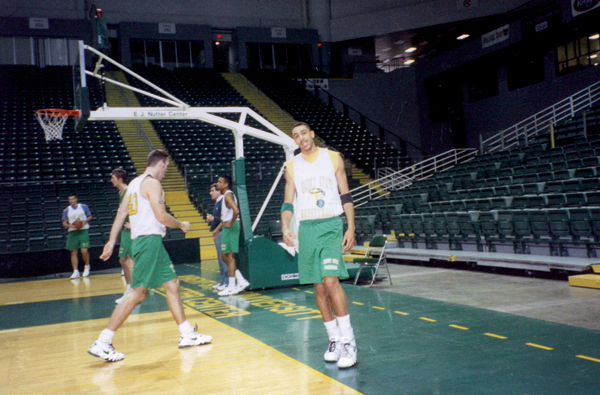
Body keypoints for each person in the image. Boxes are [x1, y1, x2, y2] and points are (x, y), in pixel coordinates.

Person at [89, 149, 212, 362]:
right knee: (138, 293)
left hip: (146, 241)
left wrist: (111, 240)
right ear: (161, 164)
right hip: (148, 241)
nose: (166, 171)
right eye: (166, 167)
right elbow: (162, 216)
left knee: (172, 283)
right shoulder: (152, 183)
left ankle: (187, 334)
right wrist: (182, 224)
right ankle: (103, 342)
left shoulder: (134, 184)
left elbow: (120, 214)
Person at [281, 122, 358, 369]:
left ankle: (349, 342)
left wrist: (351, 227)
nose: (301, 137)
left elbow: (345, 195)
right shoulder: (292, 166)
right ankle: (334, 340)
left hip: (330, 227)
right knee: (319, 286)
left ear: (312, 134)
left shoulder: (333, 157)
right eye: (296, 135)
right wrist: (285, 227)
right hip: (307, 229)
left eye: (304, 132)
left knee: (330, 280)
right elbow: (287, 202)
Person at [215, 174, 250, 296]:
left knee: (229, 257)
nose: (217, 184)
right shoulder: (226, 195)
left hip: (231, 227)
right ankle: (240, 280)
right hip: (227, 226)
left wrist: (231, 222)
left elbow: (236, 210)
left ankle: (232, 286)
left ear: (226, 184)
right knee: (224, 257)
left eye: (219, 182)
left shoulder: (228, 195)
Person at [110, 168, 134, 304]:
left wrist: (134, 226)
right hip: (125, 231)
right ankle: (131, 289)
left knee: (126, 260)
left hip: (131, 230)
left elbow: (140, 210)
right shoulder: (121, 192)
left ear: (119, 179)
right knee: (125, 260)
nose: (111, 180)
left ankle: (133, 291)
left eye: (113, 178)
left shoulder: (129, 192)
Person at [62, 193, 92, 279]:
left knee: (84, 251)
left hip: (83, 231)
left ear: (76, 199)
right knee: (73, 252)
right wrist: (69, 225)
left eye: (72, 199)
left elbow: (90, 216)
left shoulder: (84, 206)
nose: (71, 201)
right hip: (73, 232)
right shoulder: (66, 210)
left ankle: (87, 266)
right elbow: (64, 223)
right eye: (70, 199)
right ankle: (75, 271)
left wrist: (84, 221)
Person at [206, 183, 229, 291]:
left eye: (212, 190)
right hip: (218, 233)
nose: (210, 193)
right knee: (220, 258)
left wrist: (213, 219)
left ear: (218, 191)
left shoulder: (223, 202)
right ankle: (223, 280)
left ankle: (227, 281)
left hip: (222, 232)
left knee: (223, 257)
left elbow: (224, 218)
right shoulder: (217, 203)